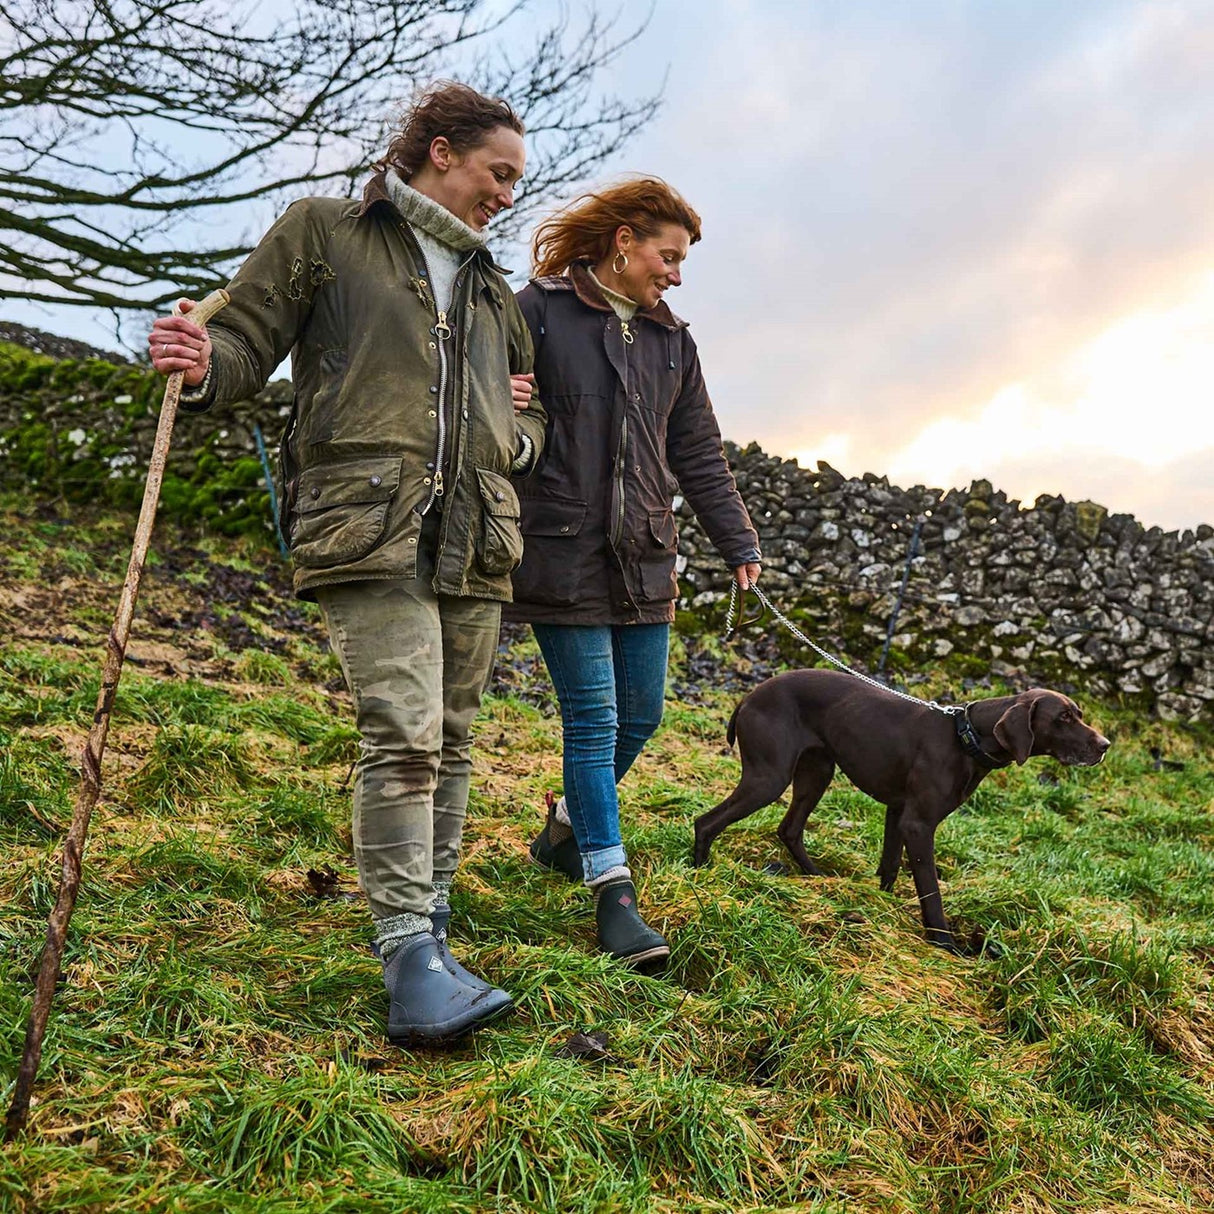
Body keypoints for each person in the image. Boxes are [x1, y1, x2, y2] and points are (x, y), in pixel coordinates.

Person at [146, 82, 546, 1046]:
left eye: (516, 182)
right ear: (440, 151)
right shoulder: (325, 230)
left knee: (452, 735)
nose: (507, 195)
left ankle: (437, 936)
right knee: (403, 728)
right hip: (366, 522)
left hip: (478, 533)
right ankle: (409, 953)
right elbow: (245, 341)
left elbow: (526, 408)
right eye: (499, 173)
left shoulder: (493, 289)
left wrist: (516, 436)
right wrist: (201, 364)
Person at [504, 177, 761, 972]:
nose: (675, 274)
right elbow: (477, 402)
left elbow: (698, 454)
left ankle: (566, 824)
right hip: (559, 549)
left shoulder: (672, 343)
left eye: (681, 261)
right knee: (592, 722)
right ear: (624, 241)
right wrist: (498, 394)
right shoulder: (537, 309)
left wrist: (737, 540)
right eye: (668, 255)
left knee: (642, 716)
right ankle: (613, 893)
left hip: (647, 555)